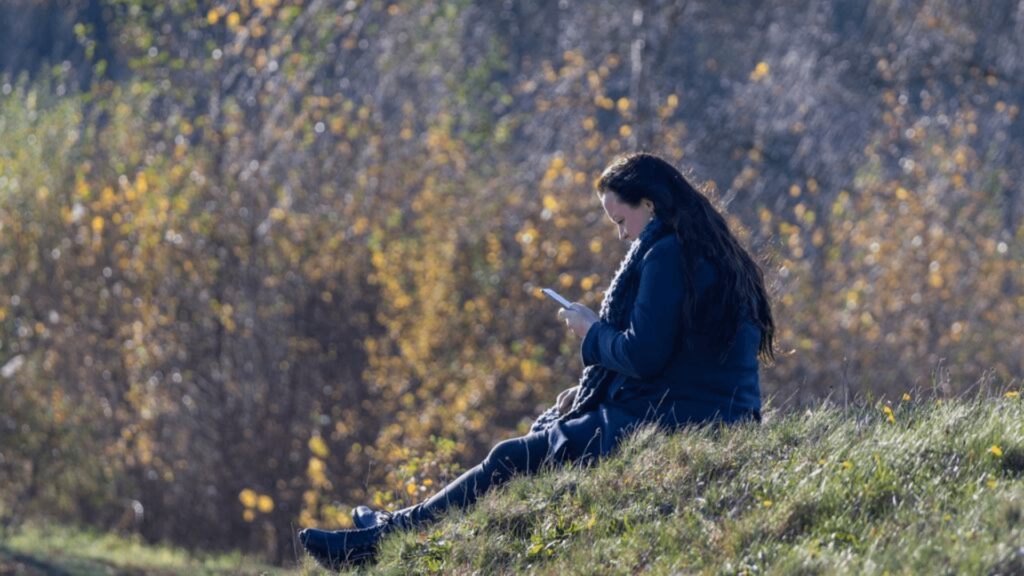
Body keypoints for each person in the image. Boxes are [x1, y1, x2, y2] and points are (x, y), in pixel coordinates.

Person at [298, 152, 776, 568]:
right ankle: (391, 528)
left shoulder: (666, 254)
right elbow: (682, 361)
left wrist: (592, 332)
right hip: (713, 413)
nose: (621, 236)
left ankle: (383, 541)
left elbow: (644, 355)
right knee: (535, 443)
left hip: (683, 421)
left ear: (648, 205)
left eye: (620, 221)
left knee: (510, 456)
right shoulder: (709, 250)